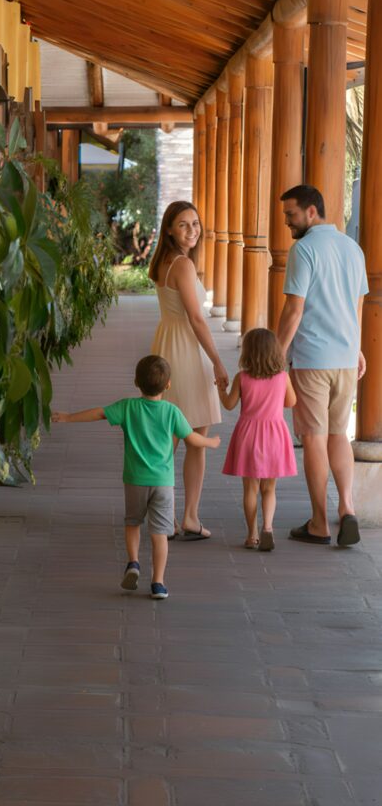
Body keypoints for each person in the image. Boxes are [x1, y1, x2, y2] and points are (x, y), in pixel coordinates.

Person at [51, 354, 220, 599]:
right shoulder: (172, 412)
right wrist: (211, 442)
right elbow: (192, 439)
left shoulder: (128, 407)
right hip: (163, 482)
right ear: (169, 384)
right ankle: (158, 583)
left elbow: (99, 413)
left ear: (136, 382)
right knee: (159, 533)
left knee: (133, 523)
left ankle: (133, 562)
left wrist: (68, 417)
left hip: (134, 480)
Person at [276, 184, 368, 547]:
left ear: (311, 212)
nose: (288, 222)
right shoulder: (352, 248)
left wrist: (276, 355)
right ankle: (347, 508)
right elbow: (355, 305)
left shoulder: (304, 249)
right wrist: (357, 347)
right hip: (346, 359)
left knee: (313, 438)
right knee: (337, 435)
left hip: (312, 359)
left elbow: (293, 310)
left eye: (291, 214)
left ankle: (319, 522)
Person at [148, 201, 228, 540]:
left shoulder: (164, 261)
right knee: (193, 437)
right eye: (183, 224)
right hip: (186, 352)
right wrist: (218, 360)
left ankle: (159, 515)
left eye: (195, 223)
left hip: (167, 343)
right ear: (169, 228)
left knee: (167, 438)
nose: (192, 230)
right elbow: (196, 318)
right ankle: (189, 517)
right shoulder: (182, 264)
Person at [219, 329, 297, 551]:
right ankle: (268, 528)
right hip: (275, 435)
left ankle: (252, 534)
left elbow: (229, 404)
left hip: (248, 435)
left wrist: (221, 390)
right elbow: (291, 402)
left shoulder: (242, 378)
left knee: (250, 489)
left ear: (248, 352)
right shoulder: (283, 377)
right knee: (269, 489)